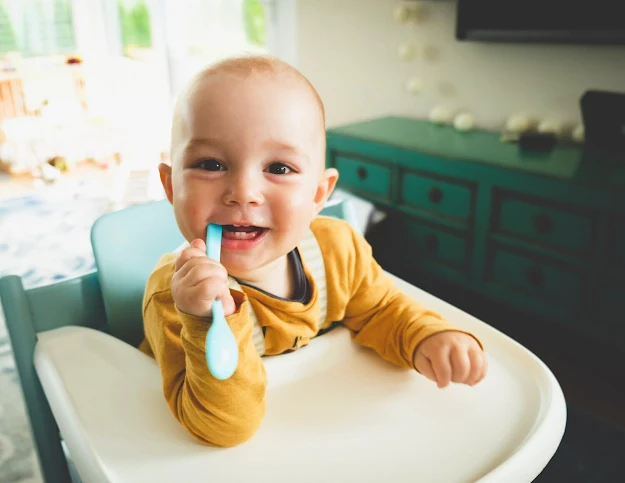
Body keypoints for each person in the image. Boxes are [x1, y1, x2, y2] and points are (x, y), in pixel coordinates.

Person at [138, 54, 488, 447]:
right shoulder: (174, 297)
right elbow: (222, 428)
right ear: (170, 187)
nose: (244, 193)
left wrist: (427, 336)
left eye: (279, 168)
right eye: (211, 163)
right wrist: (204, 320)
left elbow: (381, 309)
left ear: (320, 194)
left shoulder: (336, 251)